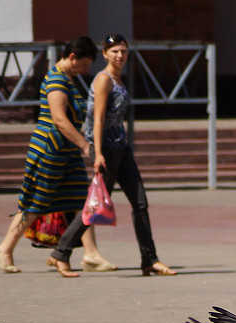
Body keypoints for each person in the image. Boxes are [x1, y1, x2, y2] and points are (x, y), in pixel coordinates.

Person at [49, 34, 174, 276]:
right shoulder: (103, 79)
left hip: (121, 147)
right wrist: (95, 153)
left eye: (123, 51)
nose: (120, 56)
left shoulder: (119, 79)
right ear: (104, 53)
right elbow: (98, 118)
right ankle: (60, 253)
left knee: (140, 203)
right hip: (105, 149)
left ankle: (149, 259)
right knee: (94, 206)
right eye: (114, 51)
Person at [0, 36, 111, 277]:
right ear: (72, 57)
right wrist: (86, 146)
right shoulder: (56, 80)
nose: (85, 71)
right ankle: (3, 249)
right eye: (84, 65)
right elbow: (59, 119)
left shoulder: (67, 79)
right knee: (37, 201)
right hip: (50, 150)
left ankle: (91, 254)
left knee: (80, 201)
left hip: (66, 153)